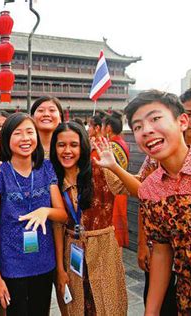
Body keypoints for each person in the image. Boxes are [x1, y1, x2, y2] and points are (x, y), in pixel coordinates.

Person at [104, 90, 191, 314]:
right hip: (189, 302)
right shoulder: (151, 189)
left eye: (156, 119)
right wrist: (151, 311)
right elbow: (161, 251)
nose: (146, 130)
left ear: (181, 121)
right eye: (137, 127)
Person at [0, 113, 67, 315]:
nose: (25, 138)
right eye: (18, 133)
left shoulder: (46, 168)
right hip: (11, 265)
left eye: (30, 132)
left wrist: (45, 211)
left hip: (44, 263)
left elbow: (62, 215)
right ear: (6, 139)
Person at [50, 122, 128, 315]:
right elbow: (57, 226)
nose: (67, 151)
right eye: (61, 145)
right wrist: (60, 269)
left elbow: (136, 190)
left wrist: (115, 168)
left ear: (83, 146)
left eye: (74, 145)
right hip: (72, 250)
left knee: (109, 306)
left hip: (104, 250)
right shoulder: (53, 178)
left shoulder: (100, 168)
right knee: (77, 306)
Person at [102, 112, 130, 248]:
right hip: (122, 190)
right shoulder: (123, 143)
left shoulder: (110, 146)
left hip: (113, 192)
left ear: (108, 128)